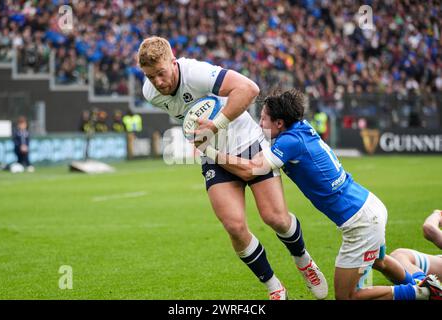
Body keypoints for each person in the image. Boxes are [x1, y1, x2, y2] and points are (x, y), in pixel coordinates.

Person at [200, 89, 442, 300]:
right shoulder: (301, 129)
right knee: (379, 261)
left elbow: (251, 169)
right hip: (369, 205)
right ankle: (423, 281)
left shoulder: (289, 143)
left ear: (279, 123)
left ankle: (421, 292)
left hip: (360, 222)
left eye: (263, 119)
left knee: (347, 296)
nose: (259, 124)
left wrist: (211, 151)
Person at [137, 36, 328, 300]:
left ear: (173, 61)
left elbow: (249, 89)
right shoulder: (150, 93)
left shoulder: (197, 74)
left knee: (276, 218)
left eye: (161, 73)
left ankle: (303, 260)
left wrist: (215, 125)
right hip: (214, 156)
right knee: (234, 226)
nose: (157, 82)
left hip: (248, 143)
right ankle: (274, 287)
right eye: (150, 76)